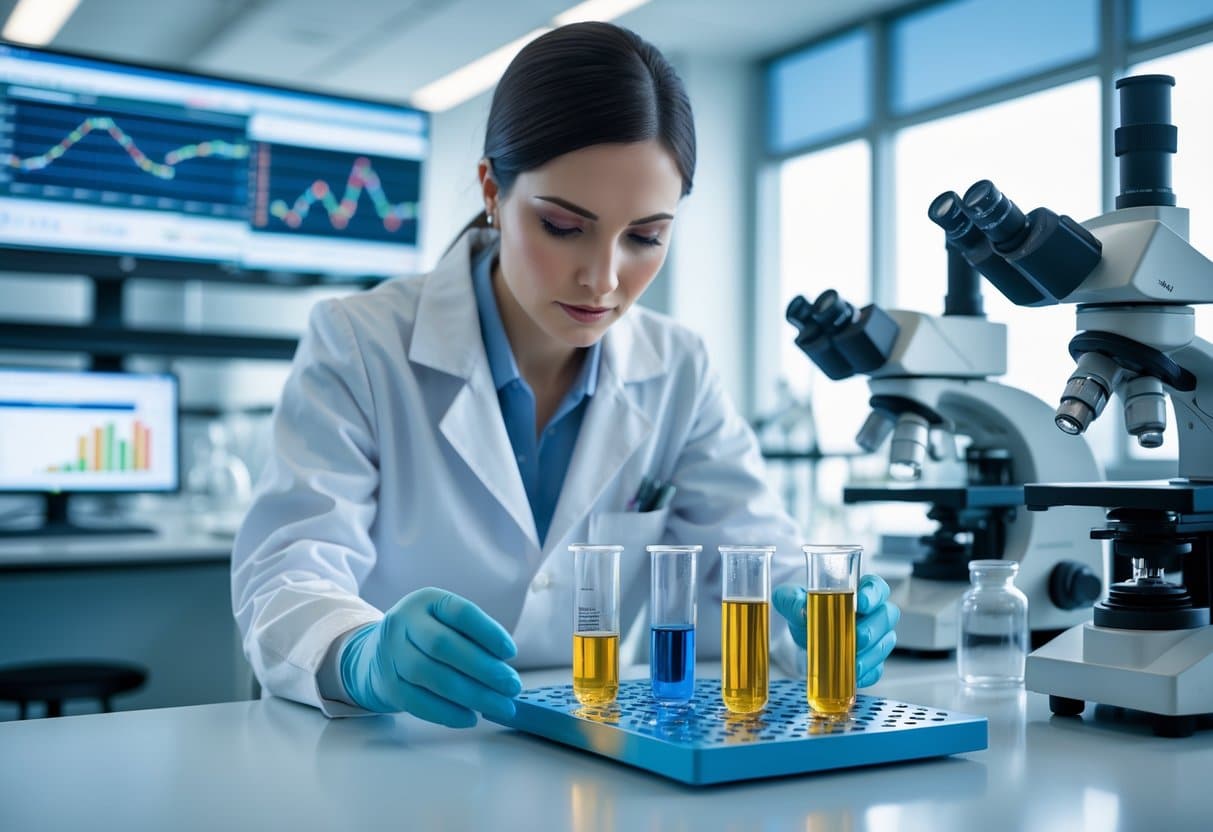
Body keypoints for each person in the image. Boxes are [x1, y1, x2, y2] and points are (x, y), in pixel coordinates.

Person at [232, 21, 899, 726]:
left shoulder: (676, 368)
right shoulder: (361, 343)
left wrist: (815, 624)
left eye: (645, 237)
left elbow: (755, 561)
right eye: (561, 225)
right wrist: (359, 653)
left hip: (596, 748)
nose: (603, 278)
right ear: (492, 190)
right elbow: (287, 574)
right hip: (401, 749)